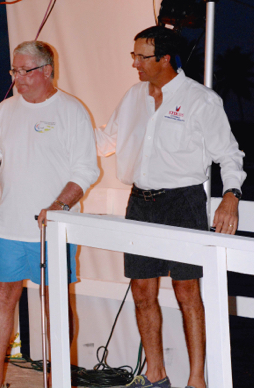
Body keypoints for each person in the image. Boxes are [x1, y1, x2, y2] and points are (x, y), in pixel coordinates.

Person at [95, 26, 246, 388]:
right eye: (133, 56)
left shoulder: (200, 100)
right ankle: (156, 375)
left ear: (164, 59)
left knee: (188, 293)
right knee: (142, 291)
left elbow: (229, 155)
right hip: (140, 202)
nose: (134, 63)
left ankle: (196, 380)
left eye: (140, 57)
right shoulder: (132, 97)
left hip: (183, 202)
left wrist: (231, 195)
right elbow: (103, 142)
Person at [0, 41, 100, 388]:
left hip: (55, 229)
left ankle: (60, 376)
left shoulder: (72, 111)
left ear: (46, 71)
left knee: (54, 301)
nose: (17, 79)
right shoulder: (4, 110)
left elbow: (86, 170)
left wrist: (58, 207)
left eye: (23, 71)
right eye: (13, 71)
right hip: (7, 226)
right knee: (1, 296)